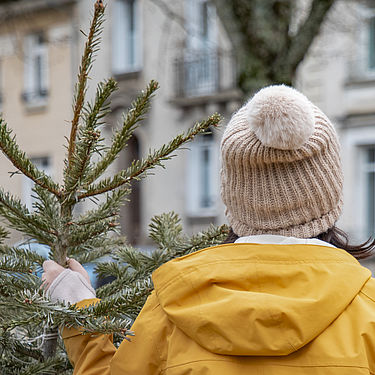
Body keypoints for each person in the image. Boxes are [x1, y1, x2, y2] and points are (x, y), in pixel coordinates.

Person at [43, 84, 375, 374]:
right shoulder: (368, 309)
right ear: (329, 192)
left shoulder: (173, 304)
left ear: (234, 194)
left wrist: (79, 309)